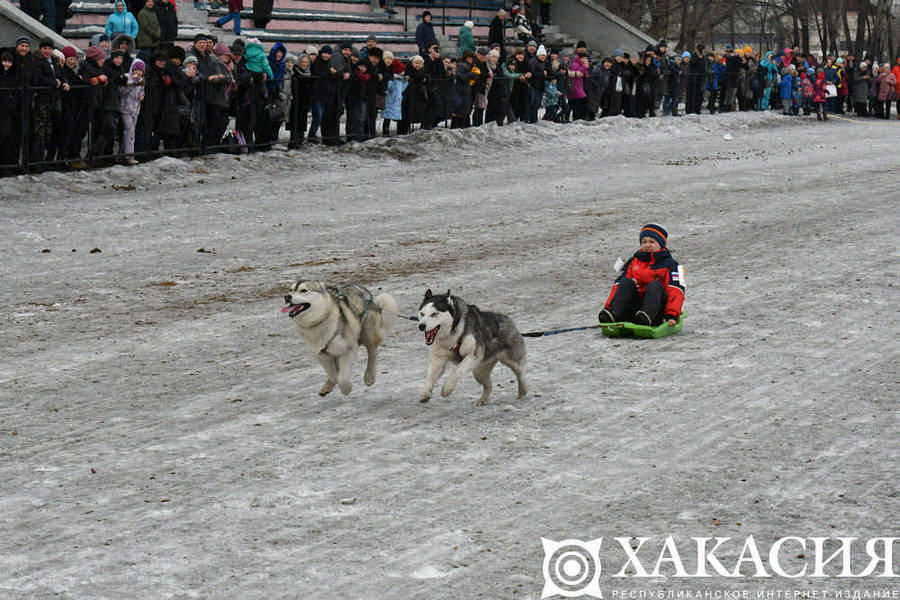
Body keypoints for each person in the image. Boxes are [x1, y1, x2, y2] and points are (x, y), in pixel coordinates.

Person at [598, 224, 685, 327]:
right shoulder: (633, 262)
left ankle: (647, 317)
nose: (647, 245)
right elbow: (617, 287)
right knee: (625, 282)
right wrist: (608, 308)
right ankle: (615, 314)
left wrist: (672, 314)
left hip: (657, 311)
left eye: (652, 242)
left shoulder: (671, 265)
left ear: (661, 244)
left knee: (654, 285)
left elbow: (676, 290)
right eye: (644, 242)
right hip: (635, 309)